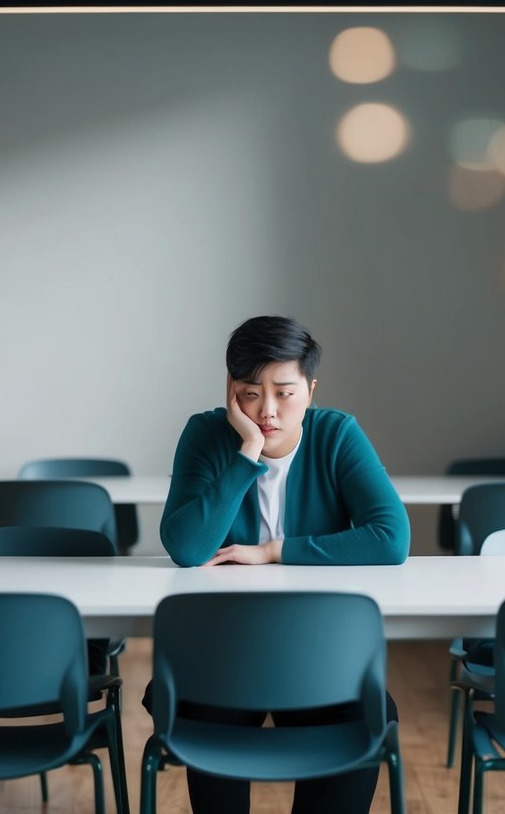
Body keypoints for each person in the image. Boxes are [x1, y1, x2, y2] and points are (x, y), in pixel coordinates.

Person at [153, 314, 410, 814]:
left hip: (319, 655)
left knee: (366, 716)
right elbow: (186, 549)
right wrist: (247, 451)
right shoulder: (207, 435)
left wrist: (274, 551)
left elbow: (390, 538)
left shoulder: (336, 434)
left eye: (284, 392)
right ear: (231, 389)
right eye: (250, 391)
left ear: (310, 390)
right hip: (221, 656)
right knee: (206, 716)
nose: (267, 410)